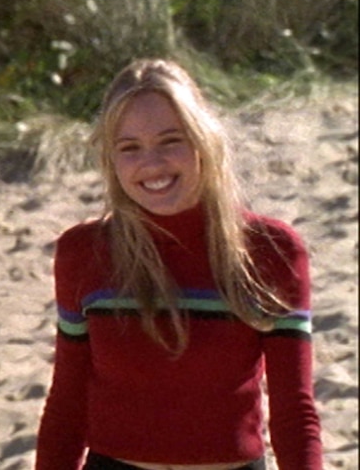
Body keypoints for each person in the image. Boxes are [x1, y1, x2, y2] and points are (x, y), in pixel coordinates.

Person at [36, 58, 322, 470]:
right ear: (111, 160)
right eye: (129, 147)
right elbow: (67, 404)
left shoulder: (271, 251)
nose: (151, 164)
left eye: (171, 140)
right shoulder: (84, 252)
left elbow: (294, 412)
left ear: (204, 141)